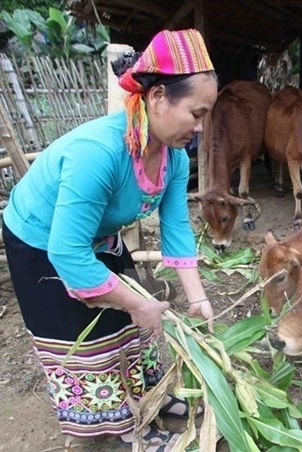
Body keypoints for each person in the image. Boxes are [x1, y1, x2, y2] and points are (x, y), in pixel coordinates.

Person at [2, 29, 217, 451]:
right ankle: (125, 427)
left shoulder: (173, 157)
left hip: (95, 237)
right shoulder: (98, 153)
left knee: (130, 325)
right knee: (91, 333)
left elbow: (175, 228)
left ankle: (150, 400)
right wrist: (138, 303)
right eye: (196, 112)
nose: (200, 127)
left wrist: (198, 297)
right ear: (157, 98)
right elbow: (66, 251)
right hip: (42, 243)